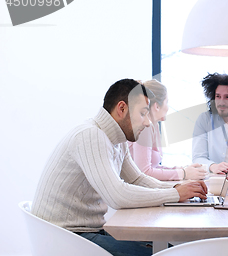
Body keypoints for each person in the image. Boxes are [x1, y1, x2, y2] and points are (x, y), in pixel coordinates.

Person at [32, 79, 207, 256]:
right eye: (143, 113)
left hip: (85, 233)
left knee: (171, 249)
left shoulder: (117, 139)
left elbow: (137, 179)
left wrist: (178, 188)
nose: (147, 123)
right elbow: (118, 196)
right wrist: (175, 194)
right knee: (168, 253)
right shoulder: (91, 135)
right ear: (122, 109)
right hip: (66, 239)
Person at [128, 80, 207, 181]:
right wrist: (182, 174)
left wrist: (182, 170)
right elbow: (145, 172)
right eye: (167, 102)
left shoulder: (154, 126)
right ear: (157, 106)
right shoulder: (144, 128)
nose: (168, 107)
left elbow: (154, 168)